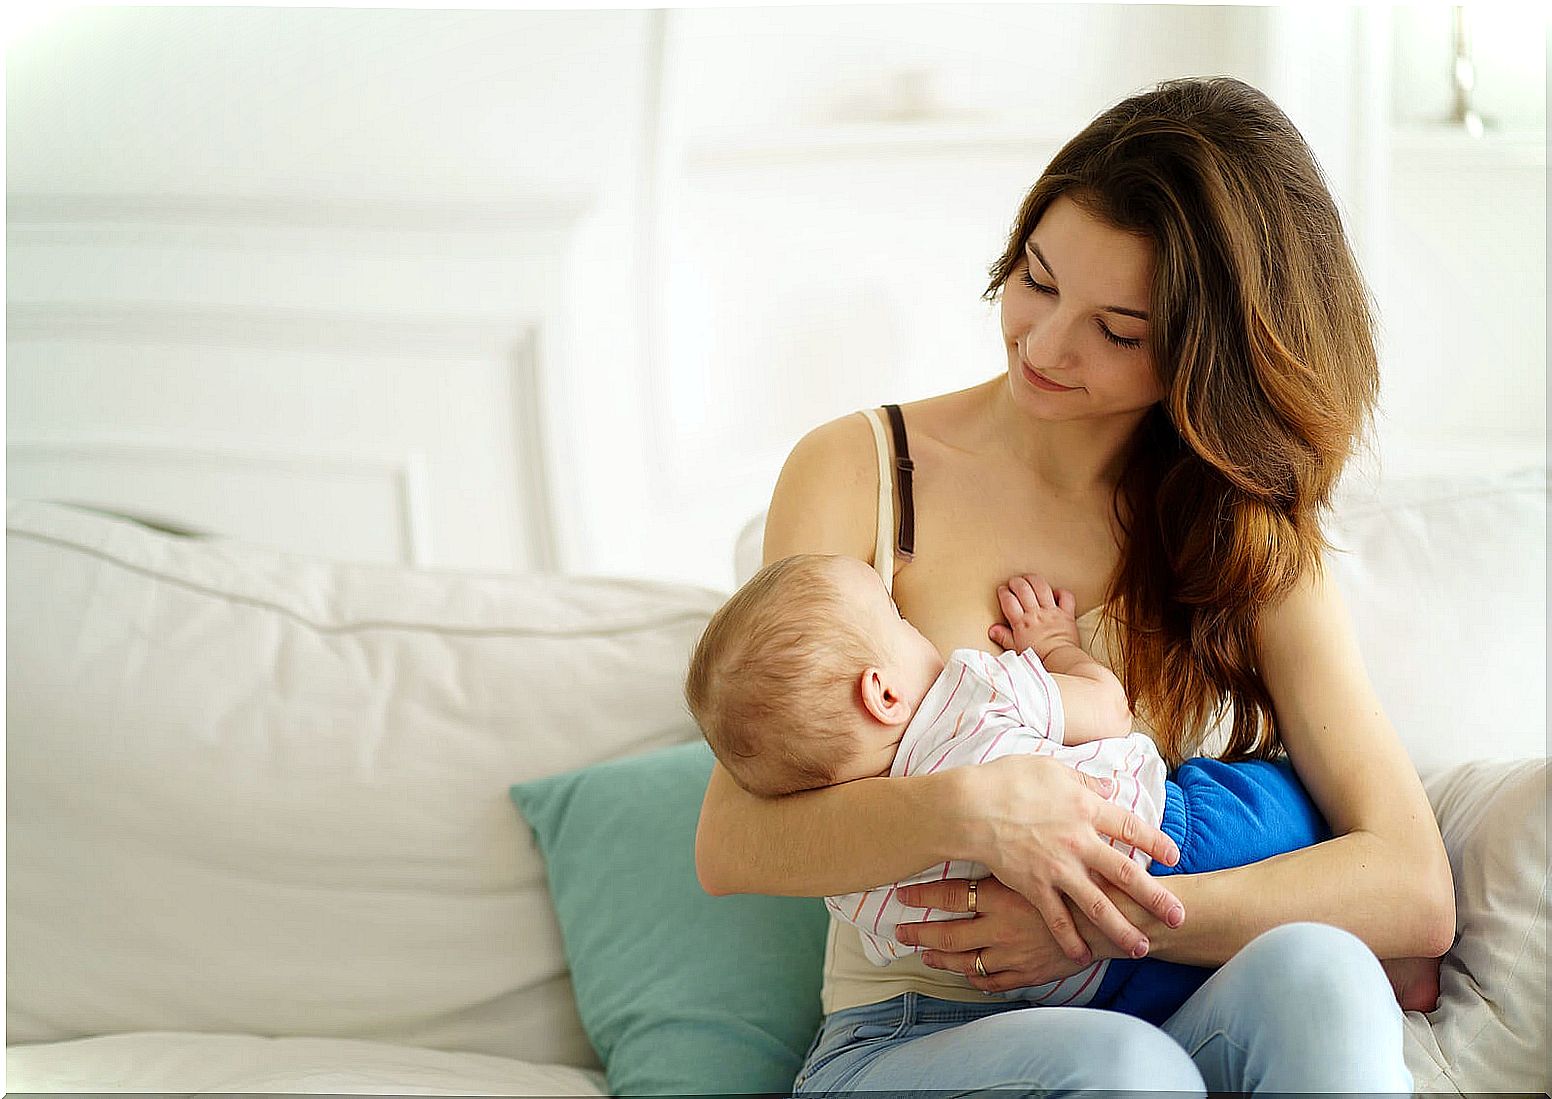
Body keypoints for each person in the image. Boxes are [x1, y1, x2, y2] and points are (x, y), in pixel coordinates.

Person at [693, 76, 1454, 1095]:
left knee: (1323, 973)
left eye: (1120, 330)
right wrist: (981, 809)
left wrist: (1108, 915)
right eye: (1038, 281)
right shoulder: (861, 469)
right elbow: (735, 841)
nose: (1045, 348)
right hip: (911, 1033)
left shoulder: (1242, 531)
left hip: (1163, 992)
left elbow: (1409, 883)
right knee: (1124, 1071)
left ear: (1204, 355)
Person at [686, 552, 1434, 1023]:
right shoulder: (972, 691)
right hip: (1173, 838)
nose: (918, 627)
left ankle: (1382, 968)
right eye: (898, 617)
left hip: (1084, 989)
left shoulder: (851, 888)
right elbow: (1106, 711)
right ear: (882, 693)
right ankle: (1390, 962)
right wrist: (1055, 649)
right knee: (1285, 797)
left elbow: (932, 941)